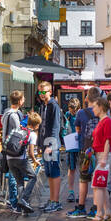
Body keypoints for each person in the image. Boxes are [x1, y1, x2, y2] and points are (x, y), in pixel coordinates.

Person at [68, 89, 102, 219]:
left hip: (85, 150)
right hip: (98, 150)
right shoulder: (101, 112)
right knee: (96, 180)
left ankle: (81, 207)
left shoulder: (81, 113)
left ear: (87, 98)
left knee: (83, 180)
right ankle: (95, 208)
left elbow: (78, 130)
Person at [35, 82, 64, 212]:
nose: (42, 94)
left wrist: (51, 145)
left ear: (50, 92)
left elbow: (55, 127)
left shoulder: (54, 106)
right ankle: (52, 200)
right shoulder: (43, 105)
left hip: (51, 143)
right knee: (49, 173)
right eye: (40, 92)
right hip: (44, 143)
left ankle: (55, 201)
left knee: (54, 172)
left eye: (44, 92)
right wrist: (39, 144)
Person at [6, 111, 41, 214]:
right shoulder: (32, 134)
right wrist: (35, 161)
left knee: (19, 181)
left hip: (9, 159)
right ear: (35, 125)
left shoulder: (17, 129)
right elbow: (31, 153)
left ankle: (20, 207)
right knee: (33, 177)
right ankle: (23, 199)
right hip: (21, 159)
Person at [88, 95, 111, 221]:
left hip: (103, 156)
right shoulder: (102, 121)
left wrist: (104, 158)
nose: (92, 109)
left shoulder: (107, 121)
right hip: (99, 155)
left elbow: (108, 140)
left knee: (97, 185)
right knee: (101, 186)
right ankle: (107, 213)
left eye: (94, 107)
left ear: (101, 107)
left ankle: (99, 214)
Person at [1, 91, 26, 207]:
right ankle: (14, 202)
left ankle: (13, 200)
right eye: (23, 99)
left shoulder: (6, 112)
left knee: (12, 173)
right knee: (13, 175)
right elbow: (18, 131)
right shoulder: (14, 115)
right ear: (20, 101)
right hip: (14, 147)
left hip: (7, 146)